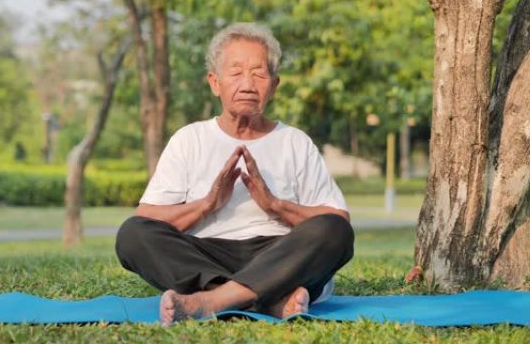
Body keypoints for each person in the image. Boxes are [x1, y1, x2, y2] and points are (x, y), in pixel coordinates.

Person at [115, 22, 354, 326]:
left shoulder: (295, 141)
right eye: (236, 72)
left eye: (258, 73)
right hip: (206, 257)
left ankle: (211, 301)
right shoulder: (190, 139)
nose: (248, 84)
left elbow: (336, 219)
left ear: (275, 85)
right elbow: (147, 217)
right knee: (133, 234)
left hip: (279, 254)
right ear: (215, 83)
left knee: (335, 231)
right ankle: (268, 300)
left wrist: (275, 205)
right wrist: (206, 204)